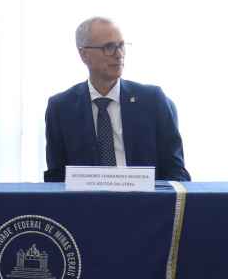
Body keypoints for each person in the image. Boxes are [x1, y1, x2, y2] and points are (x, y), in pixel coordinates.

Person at [44, 17, 190, 182]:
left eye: (121, 46)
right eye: (109, 47)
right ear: (84, 54)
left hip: (146, 197)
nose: (119, 54)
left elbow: (177, 172)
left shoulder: (153, 100)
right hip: (86, 198)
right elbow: (56, 178)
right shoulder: (61, 108)